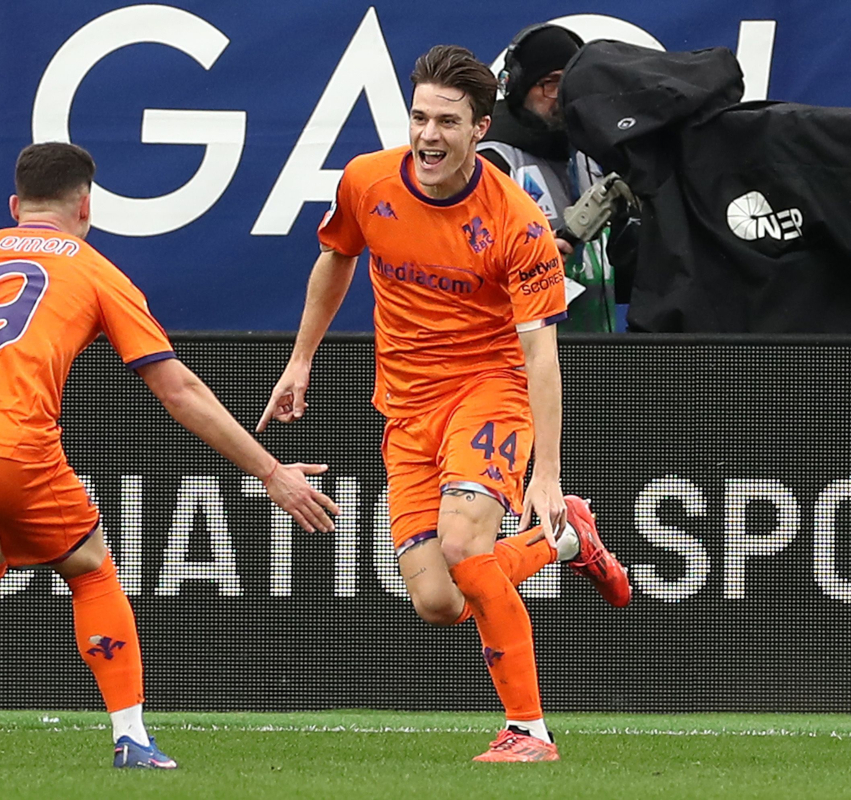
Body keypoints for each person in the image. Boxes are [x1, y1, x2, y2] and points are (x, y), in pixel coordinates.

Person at [0, 142, 339, 770]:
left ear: (15, 206)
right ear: (86, 205)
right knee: (90, 566)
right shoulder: (93, 268)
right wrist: (272, 472)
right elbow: (178, 390)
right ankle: (132, 739)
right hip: (6, 447)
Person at [257, 45, 631, 763]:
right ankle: (562, 541)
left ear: (478, 129)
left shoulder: (516, 223)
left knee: (464, 547)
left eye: (447, 123)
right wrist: (300, 359)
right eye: (419, 118)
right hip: (405, 406)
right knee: (438, 600)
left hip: (488, 392)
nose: (428, 135)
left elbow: (539, 357)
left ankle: (529, 731)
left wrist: (544, 474)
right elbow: (336, 256)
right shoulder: (367, 182)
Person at [478, 24, 635, 332]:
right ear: (519, 88)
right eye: (551, 84)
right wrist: (531, 258)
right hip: (518, 364)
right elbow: (468, 269)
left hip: (593, 353)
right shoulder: (492, 161)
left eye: (570, 84)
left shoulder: (590, 155)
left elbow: (618, 270)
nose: (562, 97)